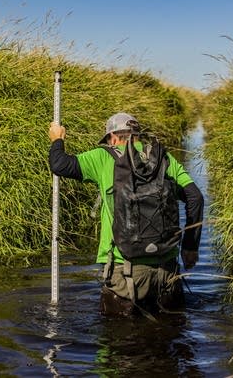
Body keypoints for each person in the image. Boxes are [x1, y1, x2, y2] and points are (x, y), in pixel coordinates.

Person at [48, 112, 204, 316]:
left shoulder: (103, 156)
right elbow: (195, 198)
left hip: (124, 271)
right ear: (137, 136)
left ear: (112, 138)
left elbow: (59, 165)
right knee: (169, 335)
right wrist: (190, 248)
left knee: (117, 340)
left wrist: (57, 139)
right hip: (167, 271)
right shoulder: (163, 158)